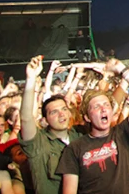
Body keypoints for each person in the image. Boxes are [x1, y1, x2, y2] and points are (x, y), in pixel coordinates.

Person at [55, 58, 129, 194]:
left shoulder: (121, 134)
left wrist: (122, 69)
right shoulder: (75, 148)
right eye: (96, 106)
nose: (103, 109)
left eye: (106, 105)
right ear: (87, 117)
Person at [19, 57, 82, 194]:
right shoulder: (38, 143)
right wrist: (30, 79)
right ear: (45, 120)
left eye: (64, 109)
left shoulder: (79, 137)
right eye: (54, 112)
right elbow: (25, 118)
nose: (61, 114)